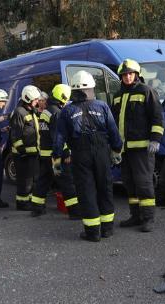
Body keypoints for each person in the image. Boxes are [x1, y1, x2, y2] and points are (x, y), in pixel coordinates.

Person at [54, 70, 123, 242]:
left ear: (73, 90)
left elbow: (59, 138)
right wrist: (116, 150)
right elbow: (114, 132)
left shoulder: (67, 110)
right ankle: (107, 229)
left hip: (80, 154)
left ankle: (93, 233)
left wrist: (56, 158)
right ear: (92, 87)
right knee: (105, 188)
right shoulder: (102, 106)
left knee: (87, 191)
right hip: (101, 152)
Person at [112, 58, 164, 233]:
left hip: (142, 148)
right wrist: (113, 146)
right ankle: (135, 216)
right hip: (125, 149)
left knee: (143, 183)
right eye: (124, 74)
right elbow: (113, 122)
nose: (127, 77)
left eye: (130, 74)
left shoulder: (146, 91)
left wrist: (155, 139)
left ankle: (148, 218)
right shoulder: (117, 95)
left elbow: (157, 117)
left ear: (137, 75)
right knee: (129, 183)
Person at [31, 83, 79, 218]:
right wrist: (65, 153)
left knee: (43, 181)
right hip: (55, 157)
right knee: (67, 182)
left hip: (45, 155)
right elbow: (58, 137)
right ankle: (75, 211)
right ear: (63, 97)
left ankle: (37, 207)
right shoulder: (57, 113)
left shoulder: (46, 111)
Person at [9, 85, 42, 210]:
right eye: (35, 100)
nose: (37, 102)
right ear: (28, 99)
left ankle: (29, 201)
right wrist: (22, 151)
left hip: (33, 154)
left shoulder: (31, 111)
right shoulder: (19, 112)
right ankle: (22, 203)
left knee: (32, 180)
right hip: (22, 155)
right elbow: (15, 135)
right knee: (24, 181)